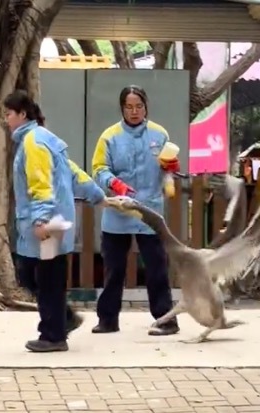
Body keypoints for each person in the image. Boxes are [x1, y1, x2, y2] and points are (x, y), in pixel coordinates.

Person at [4, 90, 108, 353]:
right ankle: (63, 320)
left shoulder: (33, 142)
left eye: (8, 114)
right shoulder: (47, 139)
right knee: (36, 275)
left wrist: (41, 218)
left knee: (43, 277)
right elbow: (72, 173)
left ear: (22, 114)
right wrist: (96, 194)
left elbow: (40, 182)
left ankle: (53, 335)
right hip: (56, 221)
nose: (6, 120)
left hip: (46, 224)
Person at [91, 85, 181, 336]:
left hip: (150, 213)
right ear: (122, 108)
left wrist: (171, 167)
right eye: (129, 107)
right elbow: (98, 168)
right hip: (118, 211)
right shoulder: (109, 136)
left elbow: (167, 170)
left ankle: (166, 320)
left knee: (157, 269)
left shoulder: (159, 134)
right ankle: (107, 320)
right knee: (114, 270)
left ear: (146, 107)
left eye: (138, 106)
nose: (134, 111)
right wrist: (113, 182)